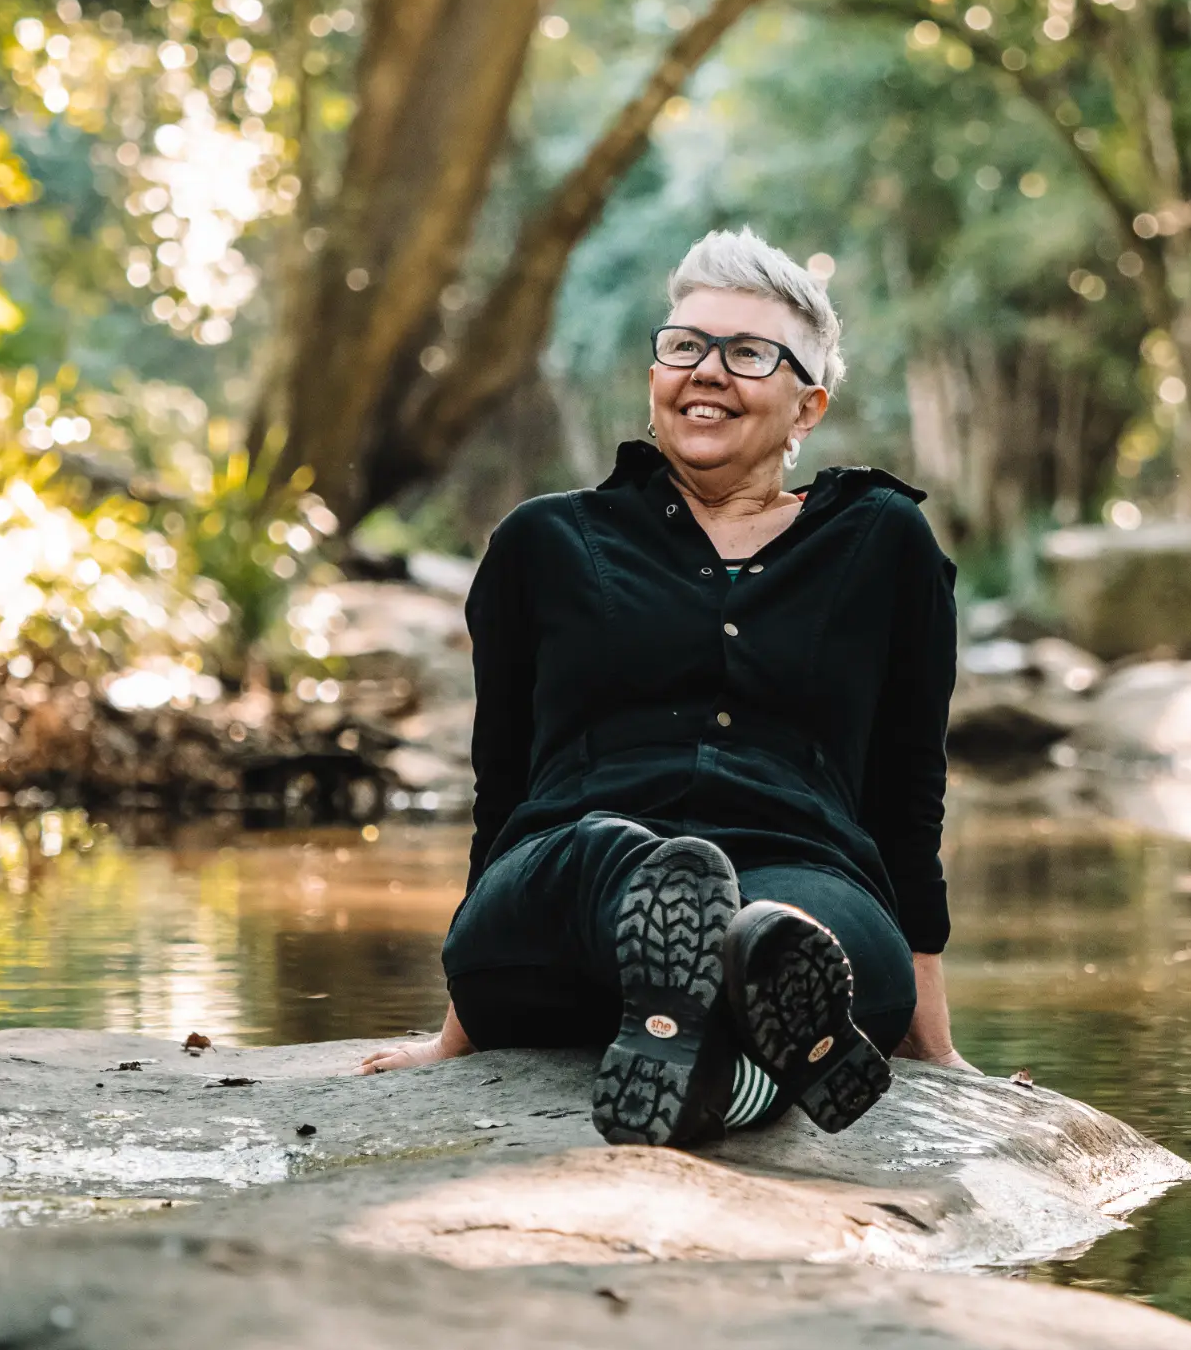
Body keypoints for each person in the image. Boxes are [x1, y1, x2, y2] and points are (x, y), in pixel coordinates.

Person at [359, 228, 973, 1146]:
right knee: (607, 858)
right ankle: (737, 1006)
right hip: (570, 881)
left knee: (806, 938)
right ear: (656, 375)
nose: (707, 370)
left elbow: (907, 791)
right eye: (685, 345)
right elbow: (504, 787)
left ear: (808, 406)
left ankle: (706, 1040)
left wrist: (934, 1042)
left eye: (748, 353)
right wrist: (459, 1033)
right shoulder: (545, 541)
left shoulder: (881, 541)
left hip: (803, 868)